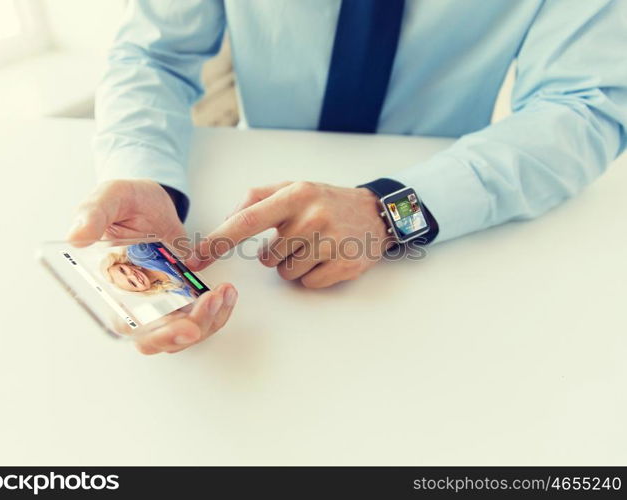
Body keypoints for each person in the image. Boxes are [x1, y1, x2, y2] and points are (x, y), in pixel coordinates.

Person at [67, 0, 627, 355]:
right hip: (247, 203)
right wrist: (146, 175)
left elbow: (585, 105)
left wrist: (388, 211)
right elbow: (154, 54)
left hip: (451, 252)